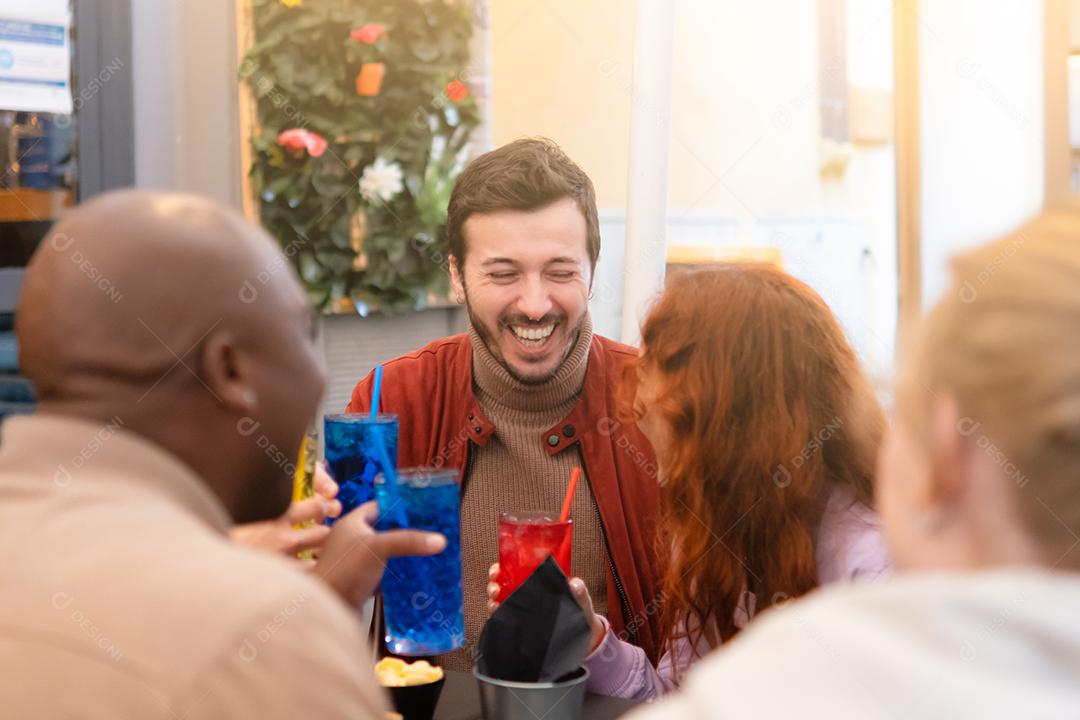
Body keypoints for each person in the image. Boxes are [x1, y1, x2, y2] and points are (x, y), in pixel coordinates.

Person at [1, 190, 445, 718]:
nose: (320, 373)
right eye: (307, 332)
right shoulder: (257, 635)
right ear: (230, 369)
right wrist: (296, 625)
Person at [624, 212, 1080, 718]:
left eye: (902, 411)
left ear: (950, 447)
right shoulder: (723, 545)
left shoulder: (851, 613)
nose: (639, 407)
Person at [489, 265, 891, 698]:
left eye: (663, 383)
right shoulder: (723, 528)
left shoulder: (874, 566)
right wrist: (588, 639)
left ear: (735, 417)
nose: (640, 404)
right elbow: (681, 701)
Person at [347, 138, 663, 669]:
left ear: (594, 268)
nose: (535, 304)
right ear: (456, 275)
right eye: (503, 274)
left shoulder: (659, 403)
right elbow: (333, 601)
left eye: (561, 271)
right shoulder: (390, 401)